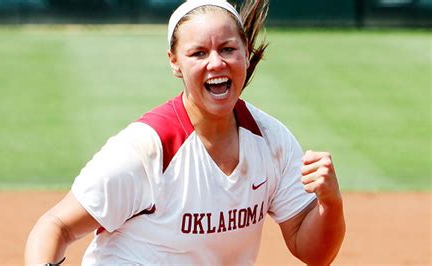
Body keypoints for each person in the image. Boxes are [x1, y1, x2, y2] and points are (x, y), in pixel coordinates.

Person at [25, 0, 345, 264]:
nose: (216, 62)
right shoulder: (148, 147)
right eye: (199, 53)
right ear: (175, 63)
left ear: (246, 53)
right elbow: (56, 226)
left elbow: (313, 252)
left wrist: (329, 202)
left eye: (227, 49)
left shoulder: (271, 141)